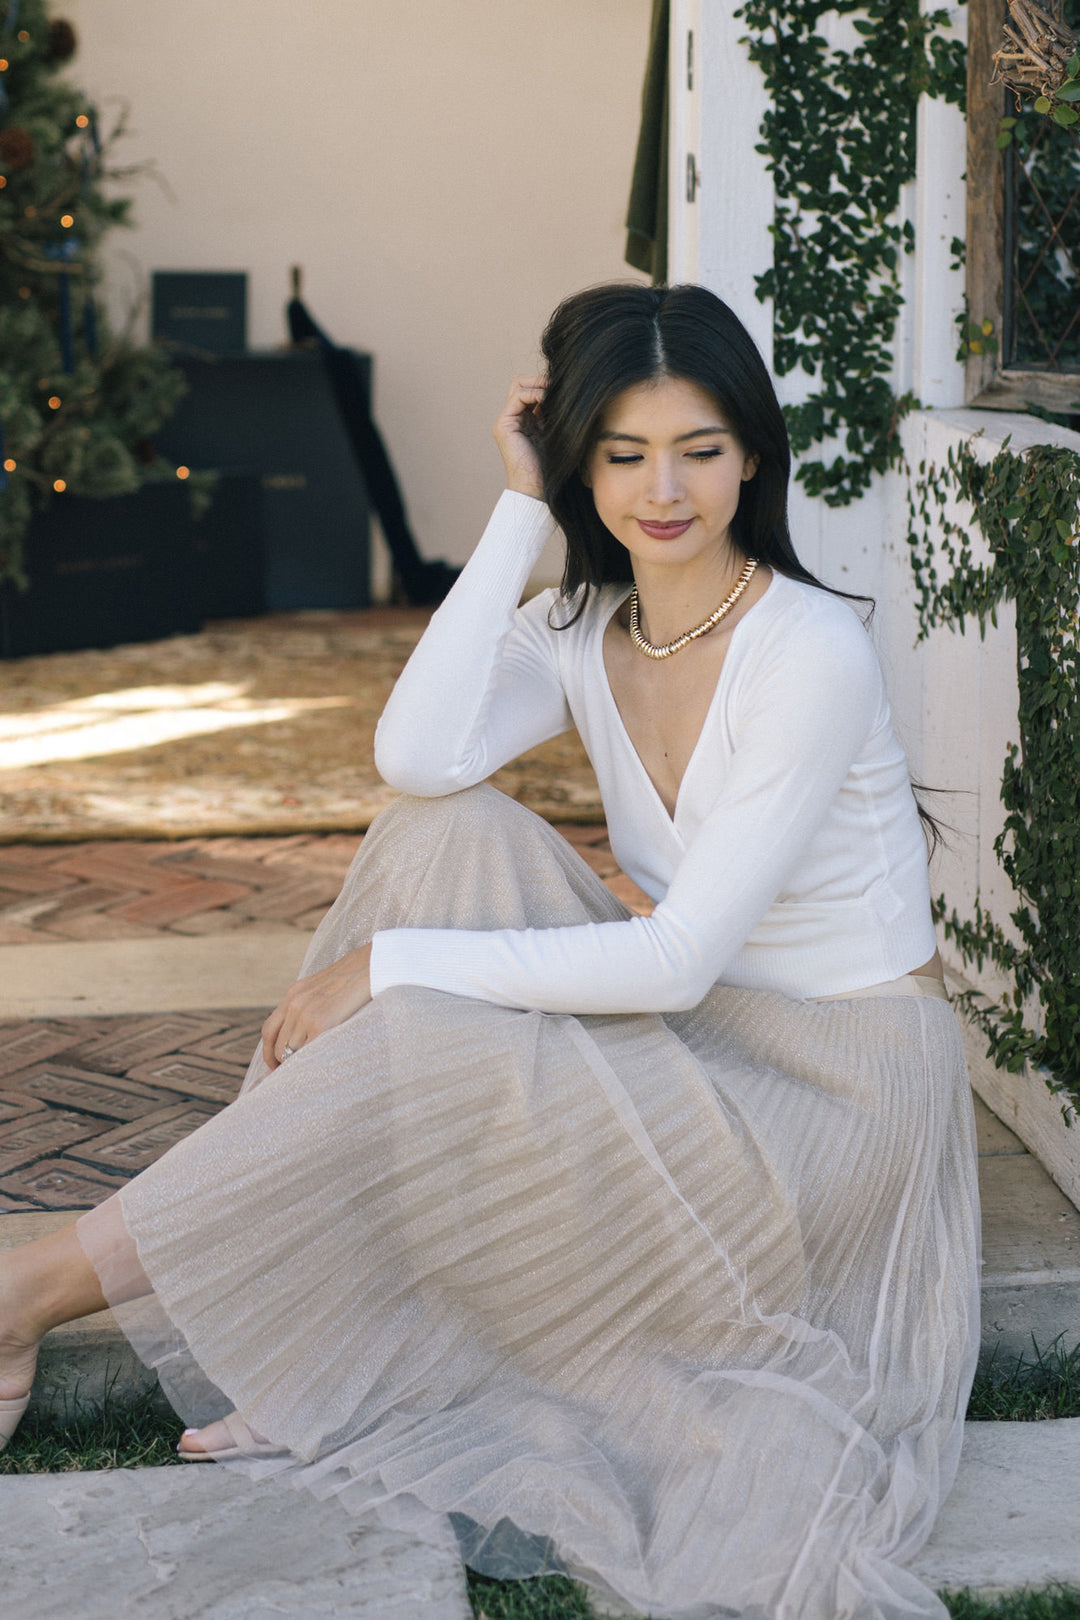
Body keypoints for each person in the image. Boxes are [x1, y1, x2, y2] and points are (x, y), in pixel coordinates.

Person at [0, 284, 979, 1620]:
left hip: (835, 1101)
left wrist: (392, 969)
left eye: (698, 448)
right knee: (444, 830)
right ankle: (326, 1336)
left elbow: (676, 961)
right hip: (703, 1043)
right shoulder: (591, 622)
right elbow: (418, 752)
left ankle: (43, 1285)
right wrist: (519, 510)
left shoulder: (804, 647)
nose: (665, 490)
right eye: (621, 454)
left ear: (753, 452)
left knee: (437, 1009)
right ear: (580, 459)